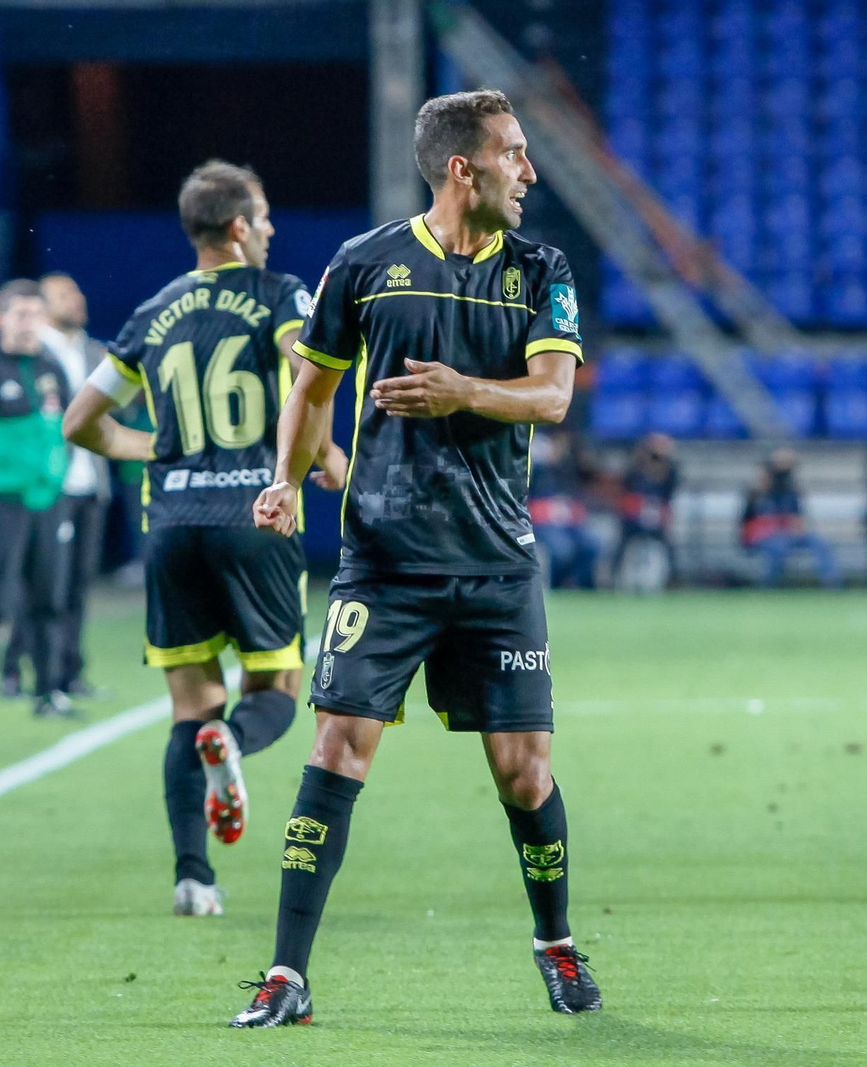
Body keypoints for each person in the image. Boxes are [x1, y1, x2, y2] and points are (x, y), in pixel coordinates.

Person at [235, 88, 600, 1027]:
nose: (530, 170)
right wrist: (287, 475)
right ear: (461, 169)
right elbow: (310, 388)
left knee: (524, 773)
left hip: (494, 564)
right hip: (384, 562)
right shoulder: (364, 264)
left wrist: (461, 393)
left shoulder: (541, 267)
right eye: (515, 153)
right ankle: (287, 974)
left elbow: (553, 396)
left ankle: (556, 944)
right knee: (335, 748)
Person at [62, 160, 347, 918]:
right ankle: (231, 744)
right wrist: (325, 457)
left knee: (189, 705)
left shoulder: (153, 310)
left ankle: (194, 877)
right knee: (278, 688)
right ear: (237, 227)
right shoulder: (280, 294)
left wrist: (150, 448)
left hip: (174, 525)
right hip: (254, 516)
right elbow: (305, 376)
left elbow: (80, 423)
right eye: (263, 216)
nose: (272, 228)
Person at [0, 279, 74, 721]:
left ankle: (48, 691)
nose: (28, 325)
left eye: (35, 315)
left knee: (48, 597)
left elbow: (69, 428)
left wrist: (55, 475)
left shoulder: (51, 369)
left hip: (48, 500)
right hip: (0, 500)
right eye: (19, 315)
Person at [2, 273, 111, 700]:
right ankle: (15, 668)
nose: (78, 299)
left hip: (89, 484)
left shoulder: (93, 350)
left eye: (78, 291)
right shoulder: (33, 353)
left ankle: (70, 671)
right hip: (48, 485)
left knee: (79, 583)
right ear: (45, 306)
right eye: (67, 294)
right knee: (41, 581)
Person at [740, 447, 840, 588]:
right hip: (766, 538)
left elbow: (798, 519)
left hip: (788, 534)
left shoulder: (788, 491)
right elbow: (748, 526)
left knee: (819, 542)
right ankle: (768, 586)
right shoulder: (755, 496)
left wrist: (796, 528)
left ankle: (832, 583)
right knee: (777, 546)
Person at [527, 428, 599, 588]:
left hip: (568, 524)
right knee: (562, 549)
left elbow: (576, 498)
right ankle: (557, 586)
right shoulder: (535, 472)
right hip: (542, 525)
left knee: (592, 544)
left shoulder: (566, 469)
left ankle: (578, 585)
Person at [613, 432, 678, 590]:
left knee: (668, 548)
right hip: (634, 522)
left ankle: (670, 580)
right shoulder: (635, 472)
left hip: (656, 522)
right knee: (623, 544)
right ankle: (615, 578)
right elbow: (627, 498)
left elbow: (669, 491)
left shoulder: (670, 473)